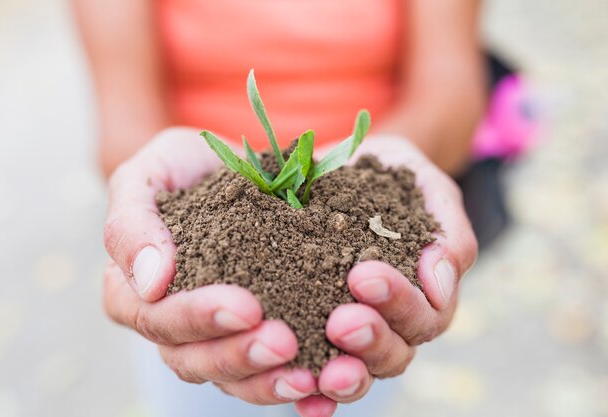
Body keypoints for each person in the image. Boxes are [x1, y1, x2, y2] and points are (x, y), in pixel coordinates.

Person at [73, 1, 482, 416]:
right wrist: (150, 179)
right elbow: (122, 122)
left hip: (366, 211)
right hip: (203, 232)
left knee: (354, 374)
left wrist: (392, 166)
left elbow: (453, 96)